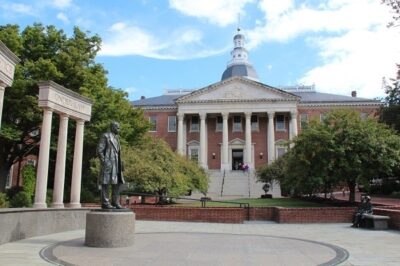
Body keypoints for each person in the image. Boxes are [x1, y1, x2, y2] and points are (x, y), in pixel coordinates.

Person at [97, 121, 125, 209]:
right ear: (112, 127)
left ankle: (115, 202)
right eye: (117, 128)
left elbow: (118, 152)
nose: (119, 129)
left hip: (116, 164)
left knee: (116, 183)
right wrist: (104, 161)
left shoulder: (117, 138)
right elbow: (99, 150)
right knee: (105, 183)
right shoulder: (105, 136)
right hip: (108, 163)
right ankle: (105, 203)